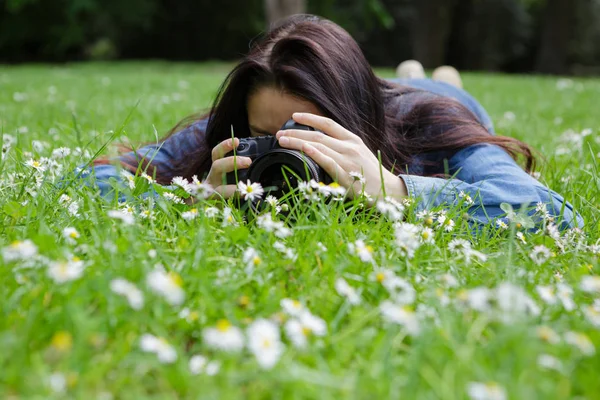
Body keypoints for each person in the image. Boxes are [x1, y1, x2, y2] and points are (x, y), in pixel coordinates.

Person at [81, 14, 582, 229]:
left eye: (308, 132)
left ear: (355, 120)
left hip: (435, 97)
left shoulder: (435, 124)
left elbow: (556, 215)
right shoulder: (242, 128)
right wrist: (188, 202)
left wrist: (395, 191)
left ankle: (431, 74)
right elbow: (96, 176)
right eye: (266, 135)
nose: (284, 148)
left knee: (438, 82)